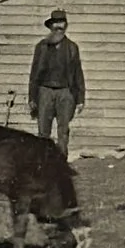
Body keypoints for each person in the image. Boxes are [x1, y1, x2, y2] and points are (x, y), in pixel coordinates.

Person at [28, 8, 85, 147]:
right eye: (55, 23)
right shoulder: (42, 47)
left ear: (65, 25)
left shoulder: (72, 48)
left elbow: (78, 73)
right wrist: (32, 97)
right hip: (45, 92)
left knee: (63, 130)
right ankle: (43, 158)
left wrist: (80, 99)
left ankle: (61, 158)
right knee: (43, 132)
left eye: (61, 23)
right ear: (51, 26)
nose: (58, 26)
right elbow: (34, 74)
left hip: (65, 93)